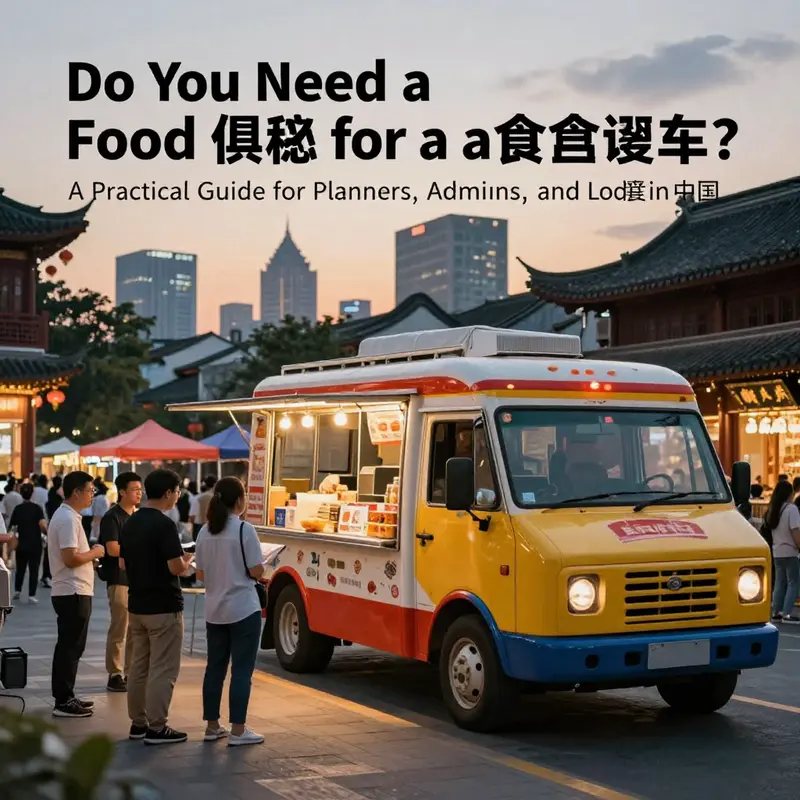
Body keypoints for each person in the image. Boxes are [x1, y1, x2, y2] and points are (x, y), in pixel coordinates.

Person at [120, 468, 193, 745]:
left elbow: (124, 562)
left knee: (139, 667)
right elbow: (175, 566)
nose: (177, 497)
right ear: (167, 493)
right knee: (163, 669)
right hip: (164, 606)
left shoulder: (131, 522)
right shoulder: (164, 525)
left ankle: (138, 723)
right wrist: (187, 561)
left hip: (137, 605)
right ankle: (157, 726)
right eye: (176, 492)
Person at [195, 477, 265, 747]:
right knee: (242, 670)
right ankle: (238, 730)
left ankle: (212, 726)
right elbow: (256, 570)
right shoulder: (244, 529)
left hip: (214, 610)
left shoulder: (205, 531)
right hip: (243, 609)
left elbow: (200, 573)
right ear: (239, 500)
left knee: (215, 668)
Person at [48, 471, 105, 718]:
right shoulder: (68, 519)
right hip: (72, 590)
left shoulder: (69, 516)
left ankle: (67, 695)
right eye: (90, 490)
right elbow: (70, 558)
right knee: (70, 647)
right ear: (76, 492)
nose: (93, 495)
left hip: (74, 589)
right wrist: (95, 553)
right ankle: (63, 700)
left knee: (72, 646)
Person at [98, 471, 143, 693]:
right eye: (134, 489)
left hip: (137, 580)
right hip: (118, 579)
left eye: (140, 489)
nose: (139, 493)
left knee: (136, 629)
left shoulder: (138, 516)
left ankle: (130, 671)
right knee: (119, 628)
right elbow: (112, 549)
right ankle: (114, 673)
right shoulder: (112, 517)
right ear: (122, 492)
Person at [766, 479, 800, 624]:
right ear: (789, 493)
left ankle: (776, 611)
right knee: (793, 582)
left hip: (777, 551)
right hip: (790, 551)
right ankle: (787, 613)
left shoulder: (773, 509)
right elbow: (795, 531)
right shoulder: (791, 509)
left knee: (780, 582)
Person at [10, 483, 47, 603]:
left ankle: (17, 590)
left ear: (21, 493)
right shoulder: (37, 508)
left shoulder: (18, 509)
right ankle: (31, 594)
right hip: (35, 543)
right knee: (34, 569)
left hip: (21, 543)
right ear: (32, 493)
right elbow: (42, 525)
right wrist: (46, 533)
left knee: (20, 568)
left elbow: (13, 527)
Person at [189, 475, 217, 540]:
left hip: (199, 527)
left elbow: (192, 517)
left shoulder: (197, 498)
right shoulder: (216, 498)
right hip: (213, 527)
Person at [89, 479, 110, 543]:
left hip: (98, 520)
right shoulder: (104, 498)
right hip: (102, 519)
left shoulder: (99, 499)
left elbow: (97, 517)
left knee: (96, 524)